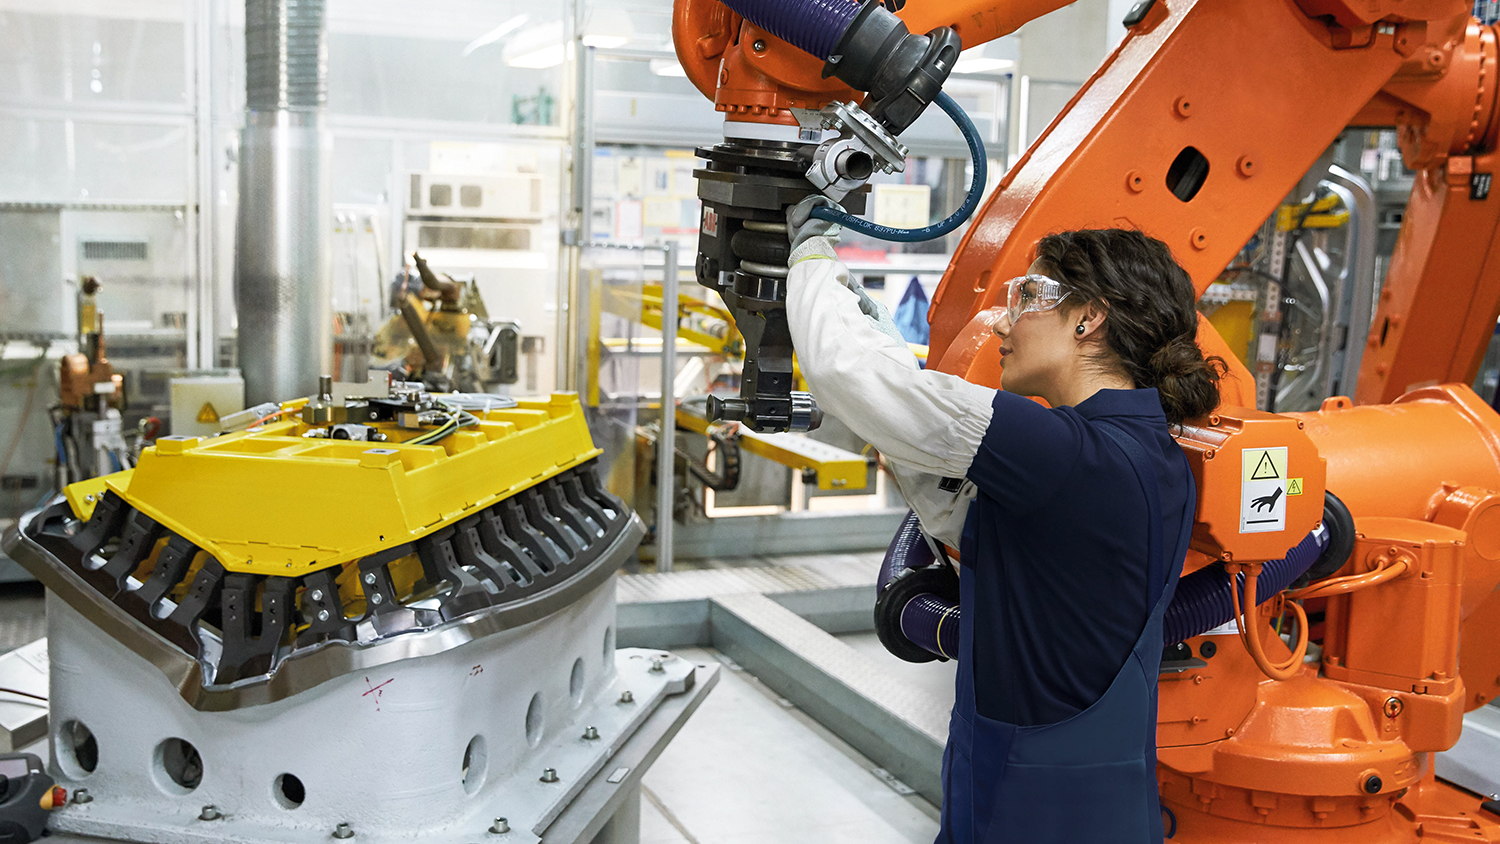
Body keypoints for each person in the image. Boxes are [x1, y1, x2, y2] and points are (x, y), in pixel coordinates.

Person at [781, 196, 1225, 843]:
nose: (999, 320)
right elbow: (952, 497)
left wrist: (810, 250)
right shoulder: (1149, 456)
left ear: (1089, 319)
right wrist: (864, 322)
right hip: (1075, 800)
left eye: (1027, 297)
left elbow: (843, 371)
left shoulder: (1063, 454)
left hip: (1034, 812)